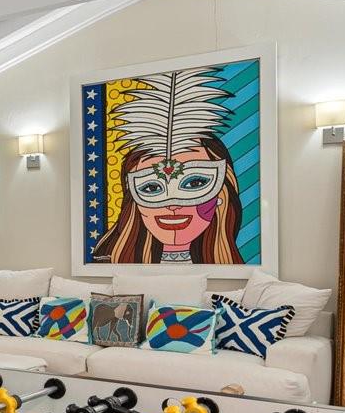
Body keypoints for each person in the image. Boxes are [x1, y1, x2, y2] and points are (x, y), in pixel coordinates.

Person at [92, 68, 245, 266]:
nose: (172, 205)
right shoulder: (105, 264)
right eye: (151, 188)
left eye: (195, 183)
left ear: (221, 193)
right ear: (134, 201)